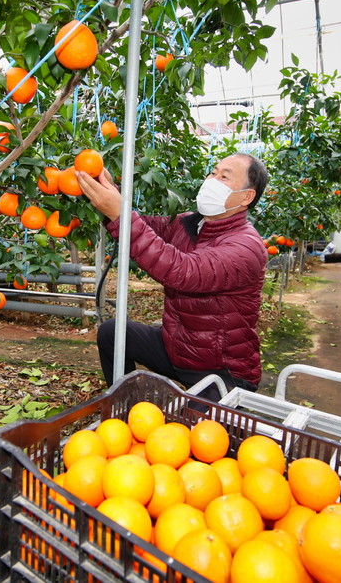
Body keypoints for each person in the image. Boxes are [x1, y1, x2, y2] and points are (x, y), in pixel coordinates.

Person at [76, 153, 269, 402]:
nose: (212, 179)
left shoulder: (246, 247)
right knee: (112, 332)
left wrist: (119, 214)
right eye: (213, 172)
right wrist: (107, 192)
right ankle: (125, 405)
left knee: (190, 437)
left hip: (221, 370)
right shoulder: (189, 224)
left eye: (224, 176)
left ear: (247, 196)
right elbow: (142, 227)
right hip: (177, 349)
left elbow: (183, 272)